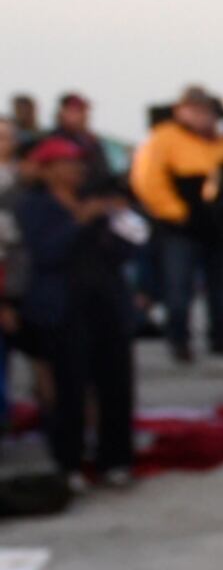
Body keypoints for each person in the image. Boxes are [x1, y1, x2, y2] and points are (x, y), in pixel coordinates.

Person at [10, 134, 139, 487]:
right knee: (69, 389)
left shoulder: (96, 201)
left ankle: (115, 460)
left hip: (108, 304)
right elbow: (46, 253)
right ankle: (68, 462)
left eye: (79, 163)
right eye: (67, 163)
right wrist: (79, 221)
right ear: (49, 169)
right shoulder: (33, 206)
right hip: (63, 309)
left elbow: (127, 249)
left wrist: (119, 220)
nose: (76, 169)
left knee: (116, 385)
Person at [129, 86, 223, 361]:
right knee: (178, 287)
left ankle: (221, 336)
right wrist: (176, 212)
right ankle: (179, 338)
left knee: (222, 287)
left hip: (218, 226)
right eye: (196, 110)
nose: (204, 117)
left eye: (208, 111)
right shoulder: (164, 138)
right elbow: (148, 180)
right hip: (180, 226)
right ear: (181, 111)